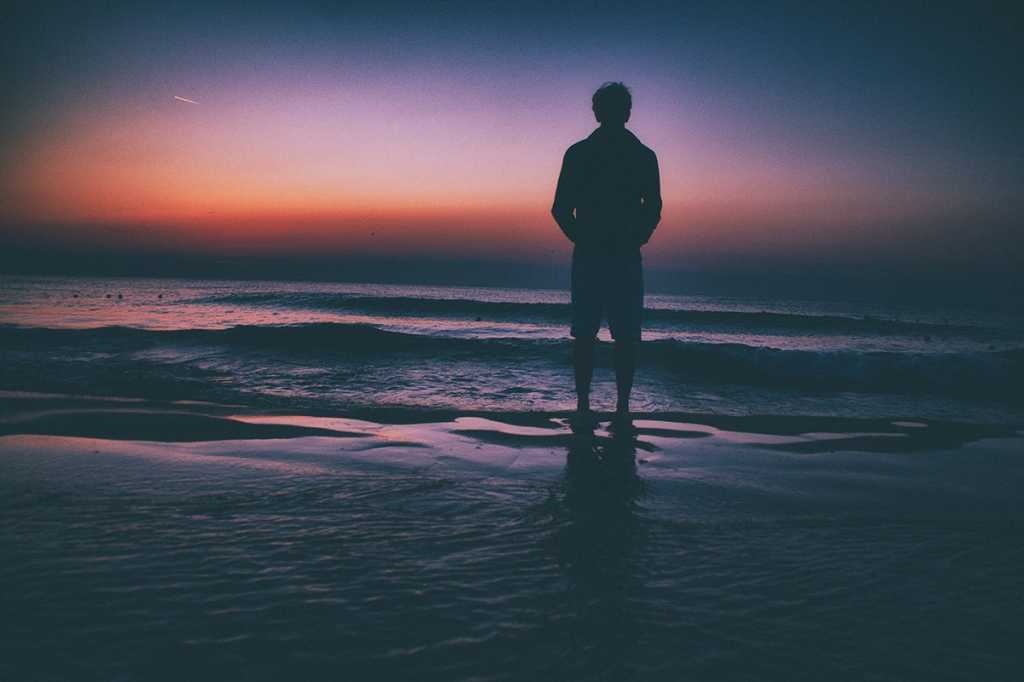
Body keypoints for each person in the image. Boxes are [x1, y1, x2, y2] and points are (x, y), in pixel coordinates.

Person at [551, 81, 662, 420]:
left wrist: (582, 239)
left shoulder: (580, 153)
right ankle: (621, 405)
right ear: (625, 112)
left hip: (595, 256)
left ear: (598, 112)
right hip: (622, 257)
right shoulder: (642, 155)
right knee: (624, 335)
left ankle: (585, 402)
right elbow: (654, 207)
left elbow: (559, 209)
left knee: (586, 334)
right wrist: (636, 238)